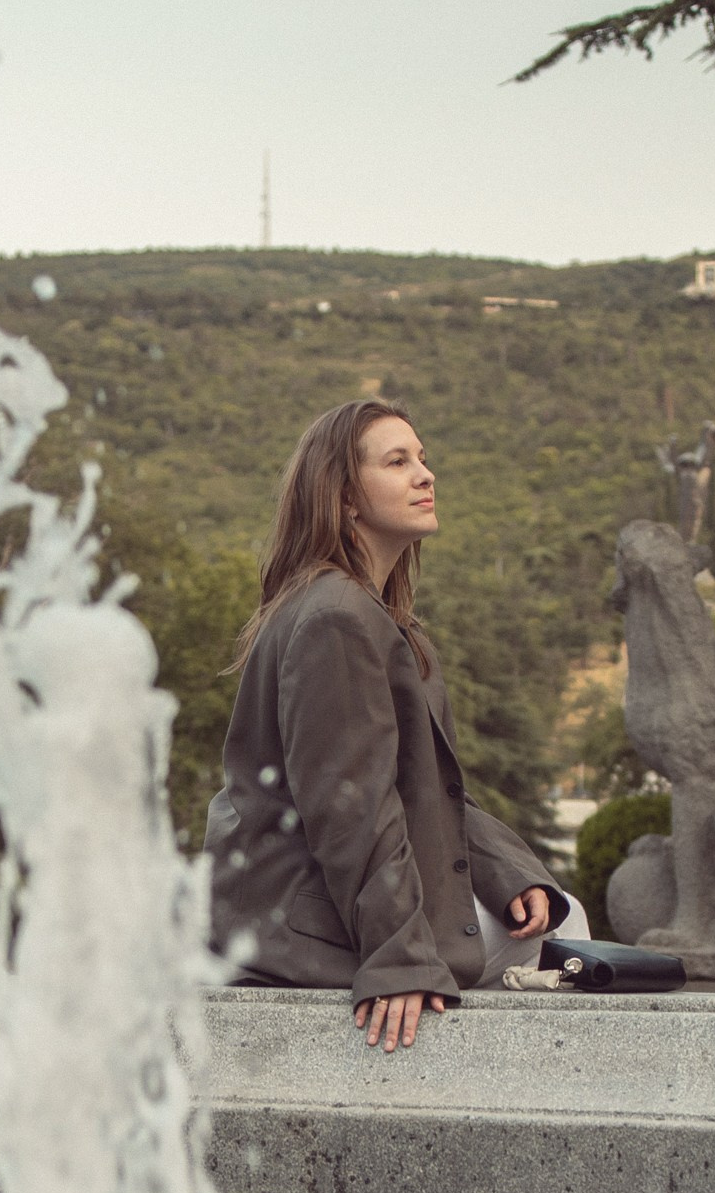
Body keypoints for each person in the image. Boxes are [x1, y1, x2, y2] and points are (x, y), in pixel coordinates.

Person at [206, 398, 575, 1050]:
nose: (425, 475)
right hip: (298, 923)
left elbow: (421, 787)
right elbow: (349, 805)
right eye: (397, 462)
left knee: (557, 914)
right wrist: (400, 957)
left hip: (295, 905)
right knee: (569, 942)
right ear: (345, 499)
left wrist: (508, 868)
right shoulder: (337, 619)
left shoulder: (355, 610)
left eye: (424, 460)